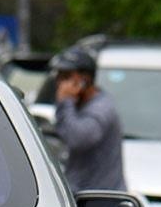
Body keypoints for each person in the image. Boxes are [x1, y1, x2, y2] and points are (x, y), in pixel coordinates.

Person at [49, 46, 125, 193]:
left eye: (66, 77)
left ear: (85, 79)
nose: (60, 84)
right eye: (59, 77)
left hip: (100, 199)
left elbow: (78, 139)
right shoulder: (78, 105)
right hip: (82, 194)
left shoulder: (101, 108)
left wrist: (65, 101)